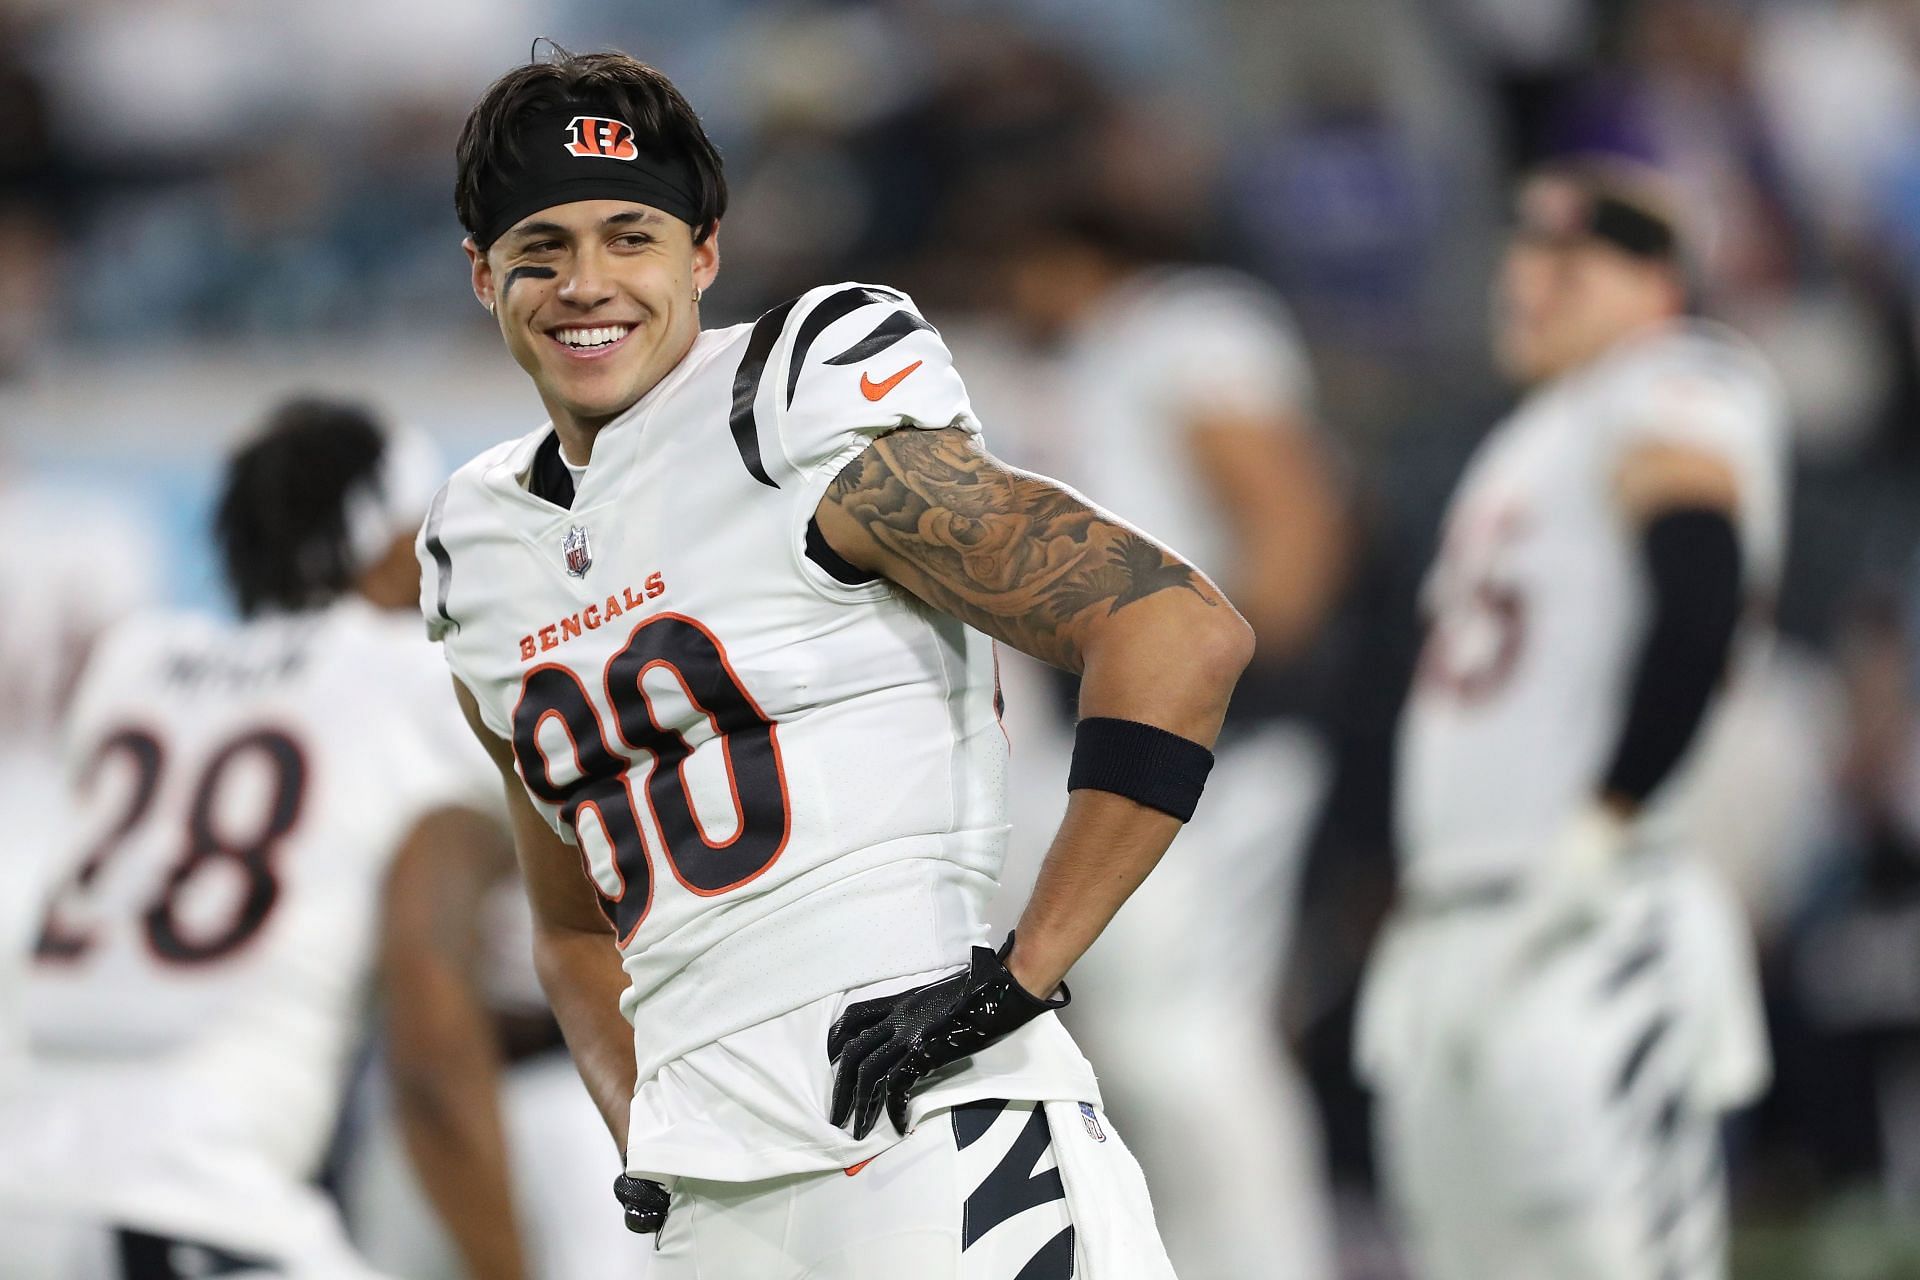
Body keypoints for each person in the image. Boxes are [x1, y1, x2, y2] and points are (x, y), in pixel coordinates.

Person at [423, 45, 1253, 1276]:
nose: (584, 282)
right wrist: (639, 1114)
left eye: (629, 236)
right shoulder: (477, 544)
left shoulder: (793, 398)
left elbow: (1176, 628)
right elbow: (570, 923)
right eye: (540, 247)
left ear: (702, 252)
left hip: (938, 1142)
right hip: (715, 1200)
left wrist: (1019, 976)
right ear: (483, 273)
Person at [1356, 162, 1783, 1280]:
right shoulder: (1531, 434)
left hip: (1590, 911)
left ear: (1659, 282)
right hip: (1459, 920)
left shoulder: (1673, 375)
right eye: (1523, 252)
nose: (1529, 280)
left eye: (1569, 259)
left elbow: (1698, 591)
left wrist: (1614, 807)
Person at [0, 400, 530, 1280]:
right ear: (392, 542)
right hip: (192, 1203)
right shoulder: (412, 683)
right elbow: (432, 1034)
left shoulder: (134, 662)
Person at [991, 207, 1349, 1280]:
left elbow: (1293, 519)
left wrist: (1226, 697)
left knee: (1188, 1037)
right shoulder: (1099, 355)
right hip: (1147, 737)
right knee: (1151, 1045)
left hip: (1216, 736)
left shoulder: (1182, 320)